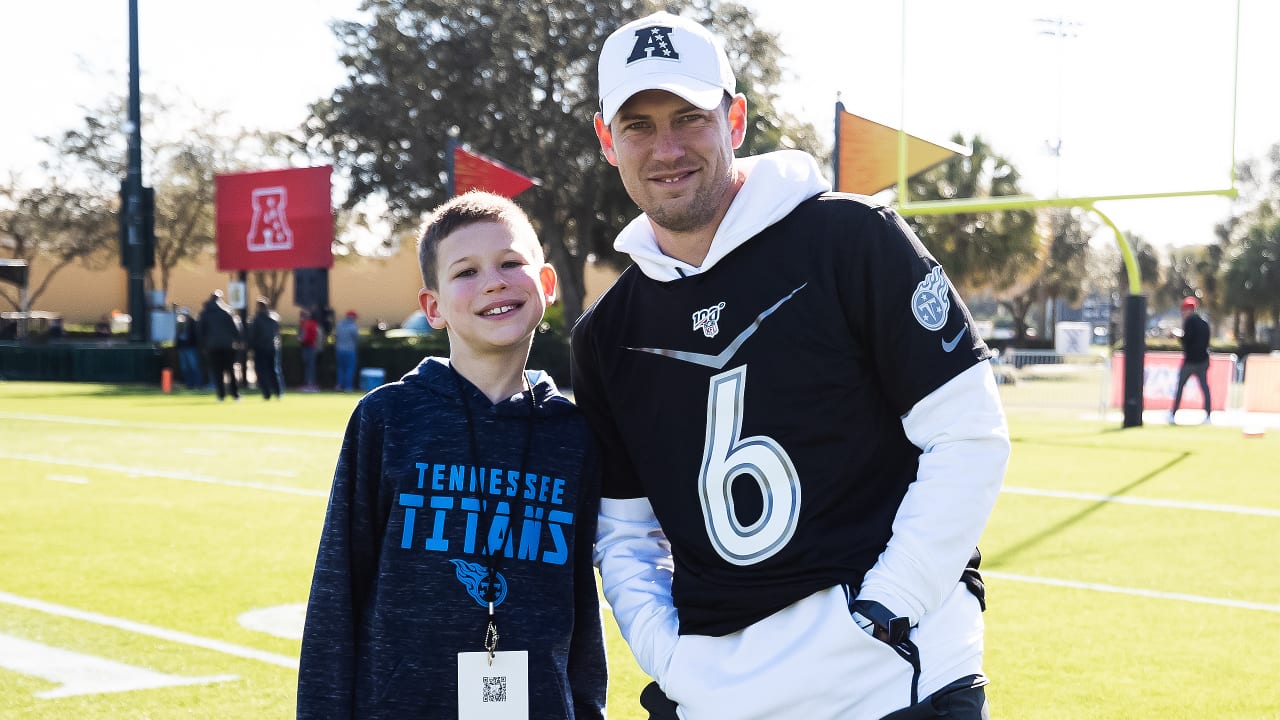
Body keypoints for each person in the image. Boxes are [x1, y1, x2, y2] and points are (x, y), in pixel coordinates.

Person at [570, 12, 1010, 720]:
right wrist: (669, 656)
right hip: (718, 693)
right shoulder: (607, 335)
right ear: (606, 139)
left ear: (736, 118)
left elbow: (970, 434)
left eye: (689, 116)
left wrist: (889, 607)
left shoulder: (850, 239)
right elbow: (625, 535)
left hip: (888, 682)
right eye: (639, 125)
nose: (668, 147)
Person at [298, 191, 607, 719]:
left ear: (547, 285)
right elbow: (336, 592)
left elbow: (580, 601)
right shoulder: (389, 418)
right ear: (433, 307)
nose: (494, 281)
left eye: (511, 263)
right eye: (466, 271)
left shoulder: (573, 434)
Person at [1169, 296, 1211, 425]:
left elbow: (1187, 340)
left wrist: (1177, 336)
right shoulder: (1204, 323)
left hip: (1191, 362)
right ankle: (1208, 414)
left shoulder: (1189, 322)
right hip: (1203, 361)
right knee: (1205, 388)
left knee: (1181, 386)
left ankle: (1173, 413)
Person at [199, 290, 242, 401]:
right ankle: (235, 394)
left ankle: (221, 395)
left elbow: (201, 331)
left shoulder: (205, 313)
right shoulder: (227, 311)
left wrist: (203, 345)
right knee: (230, 371)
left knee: (217, 372)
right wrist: (238, 341)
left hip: (212, 346)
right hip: (228, 345)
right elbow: (235, 329)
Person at [247, 297, 283, 400]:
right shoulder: (274, 318)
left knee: (261, 371)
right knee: (274, 370)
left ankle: (266, 393)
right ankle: (278, 392)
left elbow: (252, 335)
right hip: (272, 347)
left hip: (260, 348)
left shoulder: (256, 319)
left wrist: (249, 346)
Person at [174, 307, 202, 390]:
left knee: (194, 366)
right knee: (185, 367)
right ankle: (189, 384)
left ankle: (197, 384)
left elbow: (196, 336)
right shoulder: (180, 324)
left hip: (191, 347)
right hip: (183, 348)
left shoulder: (193, 323)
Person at [334, 309, 361, 392]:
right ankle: (348, 387)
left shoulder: (339, 325)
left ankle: (339, 385)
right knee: (350, 369)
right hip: (350, 350)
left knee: (340, 369)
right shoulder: (353, 327)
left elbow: (336, 336)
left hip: (339, 350)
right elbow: (357, 339)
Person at [298, 308, 321, 391]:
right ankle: (309, 383)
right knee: (309, 366)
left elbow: (302, 337)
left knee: (309, 366)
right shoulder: (311, 324)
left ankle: (310, 383)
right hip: (309, 347)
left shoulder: (307, 324)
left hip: (309, 347)